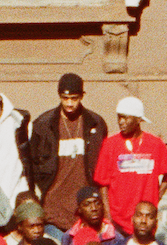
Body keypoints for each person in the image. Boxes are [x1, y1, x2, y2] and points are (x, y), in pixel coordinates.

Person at [26, 73, 107, 216]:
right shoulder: (43, 125)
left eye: (74, 98)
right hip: (53, 209)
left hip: (86, 209)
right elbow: (32, 163)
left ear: (82, 96)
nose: (69, 103)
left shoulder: (96, 123)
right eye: (65, 98)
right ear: (59, 96)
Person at [100, 95, 167, 227]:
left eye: (126, 117)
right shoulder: (110, 144)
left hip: (145, 220)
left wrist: (156, 197)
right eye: (119, 117)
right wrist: (107, 215)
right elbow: (102, 183)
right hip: (117, 220)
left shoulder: (155, 144)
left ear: (138, 120)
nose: (121, 122)